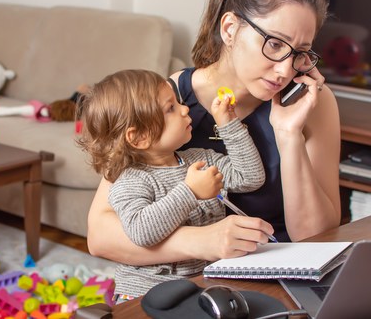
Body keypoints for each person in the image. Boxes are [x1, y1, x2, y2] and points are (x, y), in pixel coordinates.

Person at [87, 0, 341, 267]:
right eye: (274, 44)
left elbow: (316, 239)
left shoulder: (314, 104)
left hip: (280, 269)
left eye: (300, 52)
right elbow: (100, 235)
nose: (285, 70)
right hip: (194, 276)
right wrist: (204, 241)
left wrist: (289, 136)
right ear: (230, 28)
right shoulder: (173, 100)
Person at [76, 69, 265, 300]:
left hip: (202, 287)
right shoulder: (130, 180)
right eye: (171, 108)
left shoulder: (200, 159)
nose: (185, 109)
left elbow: (250, 177)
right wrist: (190, 192)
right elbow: (141, 232)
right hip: (147, 295)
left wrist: (228, 123)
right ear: (138, 137)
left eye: (179, 102)